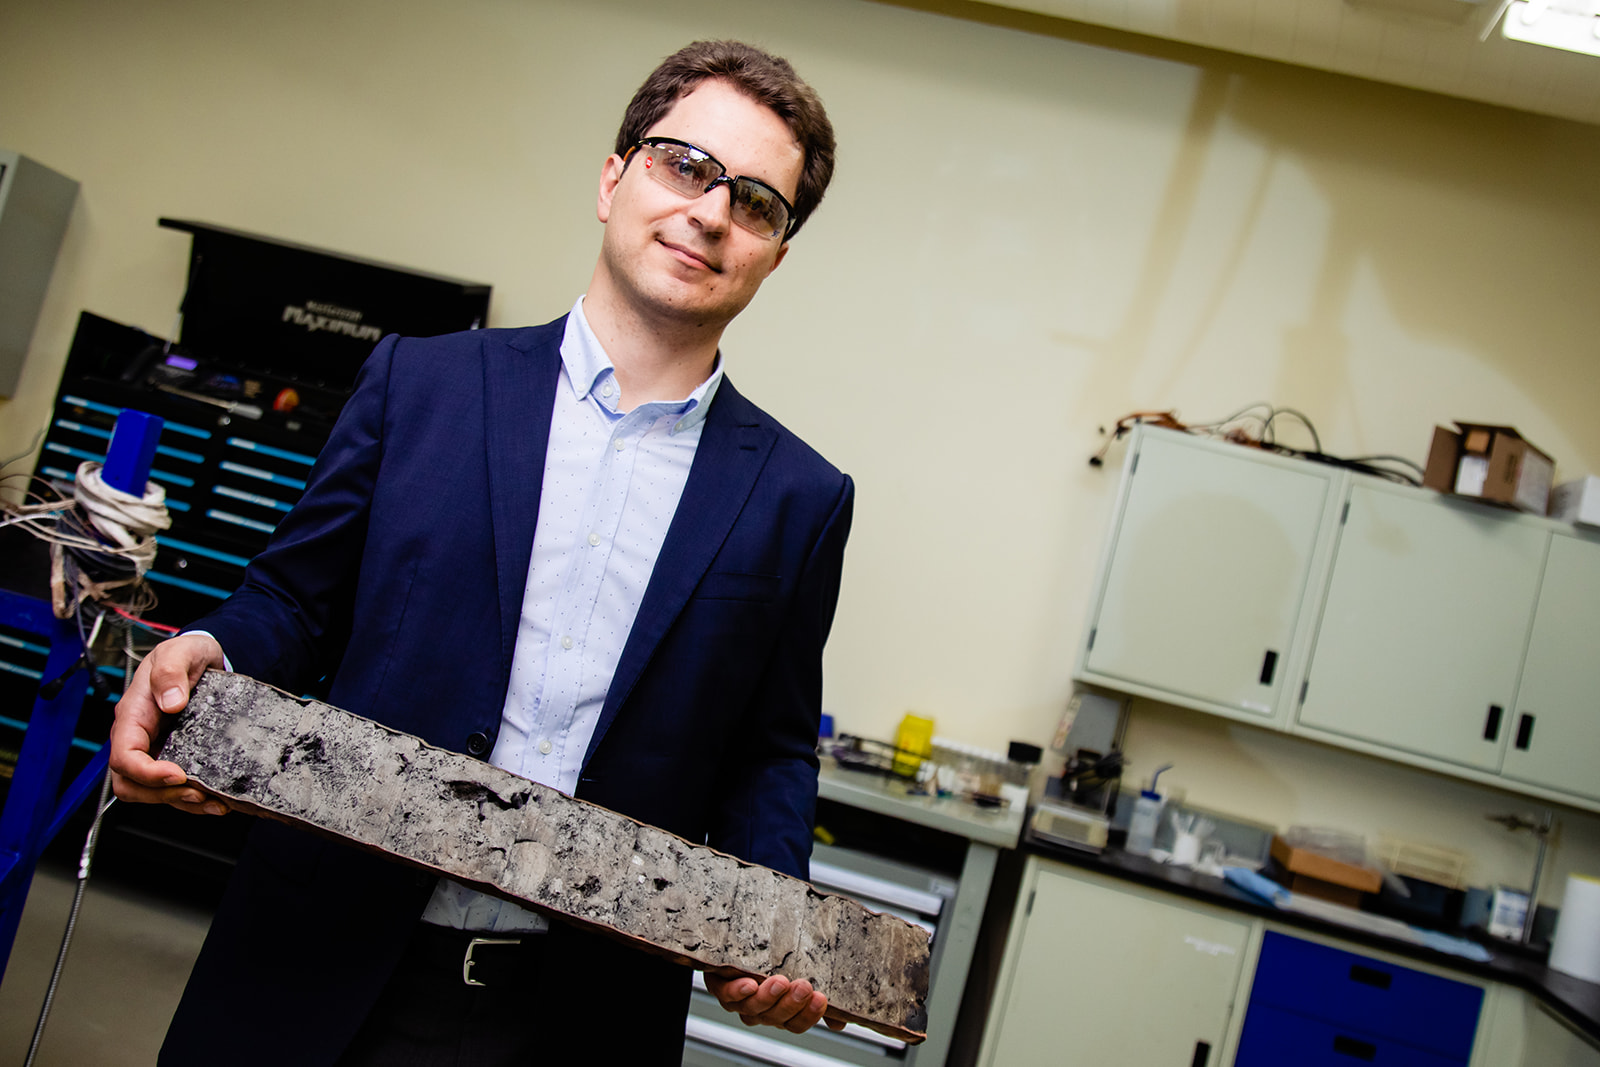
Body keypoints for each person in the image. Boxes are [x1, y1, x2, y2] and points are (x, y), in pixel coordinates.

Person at [109, 39, 851, 1066]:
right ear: (613, 175)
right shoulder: (422, 382)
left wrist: (772, 919)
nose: (712, 211)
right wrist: (214, 653)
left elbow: (770, 747)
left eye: (757, 202)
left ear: (775, 249)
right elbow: (295, 597)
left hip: (578, 1013)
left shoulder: (799, 499)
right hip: (315, 959)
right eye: (684, 164)